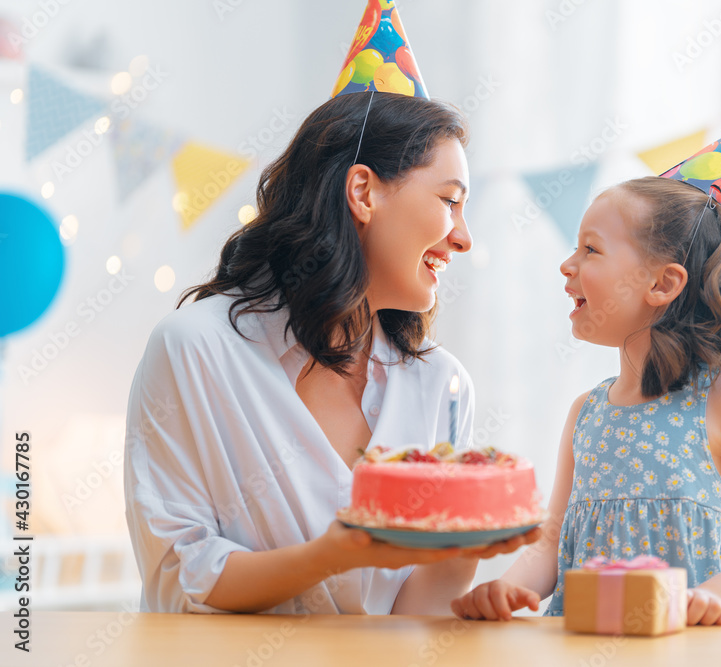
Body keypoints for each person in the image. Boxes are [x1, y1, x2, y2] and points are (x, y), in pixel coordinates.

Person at [124, 0, 541, 612]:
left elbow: (407, 616)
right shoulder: (196, 349)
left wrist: (468, 544)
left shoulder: (441, 385)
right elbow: (176, 578)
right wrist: (338, 551)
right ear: (363, 191)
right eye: (451, 201)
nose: (464, 236)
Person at [451, 110, 721, 626]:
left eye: (590, 249)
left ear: (663, 284)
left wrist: (716, 598)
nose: (566, 265)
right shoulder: (585, 413)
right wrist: (506, 588)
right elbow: (550, 547)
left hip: (691, 653)